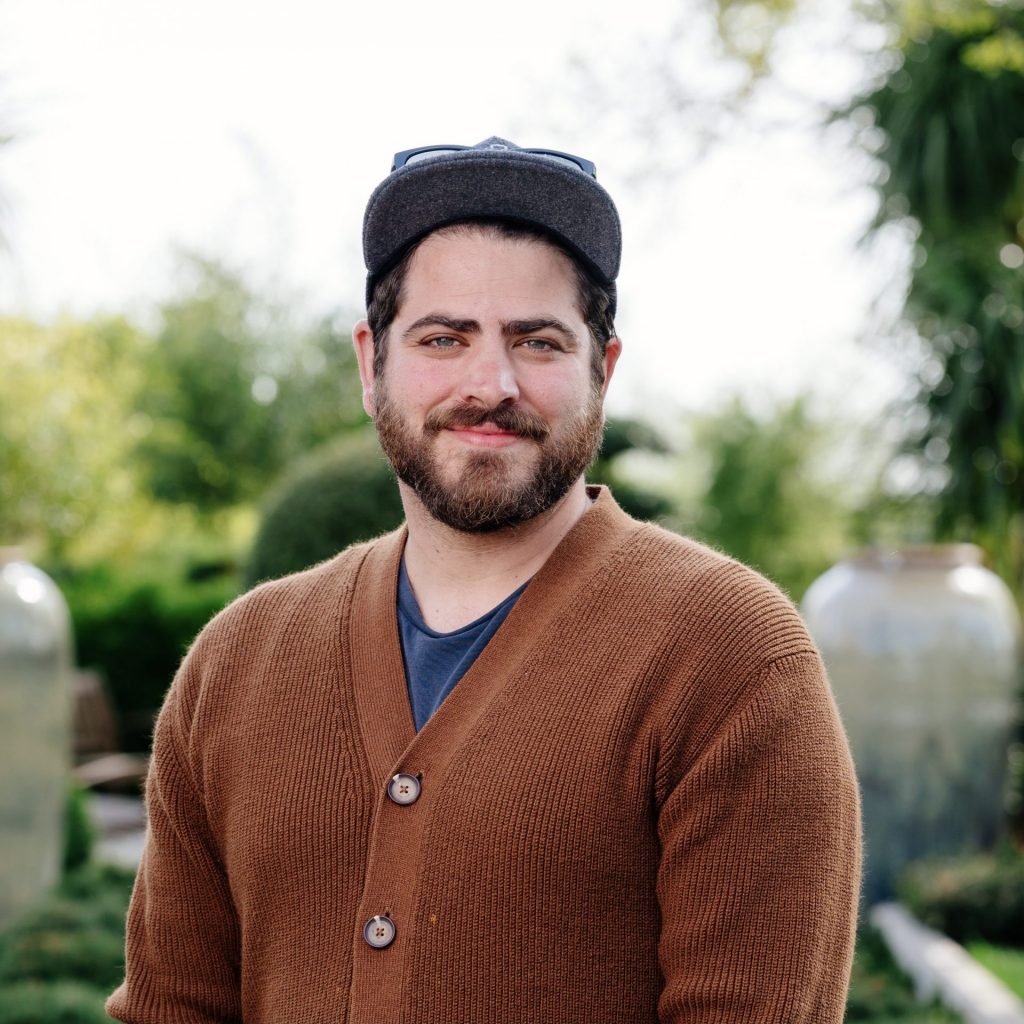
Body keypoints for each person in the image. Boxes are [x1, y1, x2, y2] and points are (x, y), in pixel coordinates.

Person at [107, 137, 861, 1024]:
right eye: (443, 338)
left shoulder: (730, 656)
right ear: (370, 364)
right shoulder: (235, 663)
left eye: (538, 342)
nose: (490, 383)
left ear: (602, 371)